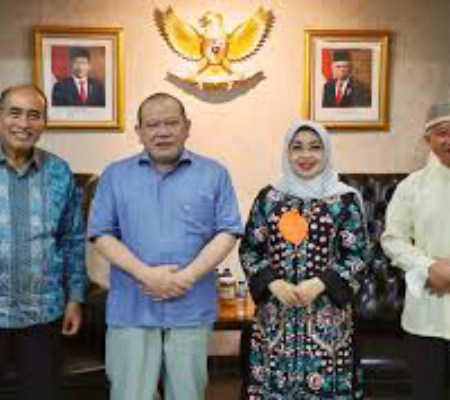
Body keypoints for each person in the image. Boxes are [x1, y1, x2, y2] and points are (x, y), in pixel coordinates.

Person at [88, 92, 242, 400]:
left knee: (187, 394)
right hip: (132, 309)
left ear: (187, 127)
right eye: (152, 125)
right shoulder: (115, 175)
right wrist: (146, 275)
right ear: (139, 131)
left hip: (191, 307)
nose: (162, 132)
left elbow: (228, 231)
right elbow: (101, 233)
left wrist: (186, 277)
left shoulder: (214, 174)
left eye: (171, 123)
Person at [239, 120, 367, 399]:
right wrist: (273, 283)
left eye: (315, 147)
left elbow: (358, 253)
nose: (305, 155)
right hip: (275, 319)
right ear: (287, 152)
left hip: (327, 320)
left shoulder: (344, 200)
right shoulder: (268, 198)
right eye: (297, 147)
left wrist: (320, 283)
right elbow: (250, 249)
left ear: (326, 152)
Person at [0, 84, 87, 399]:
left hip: (42, 314)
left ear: (44, 123)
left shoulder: (59, 172)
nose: (23, 123)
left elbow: (72, 239)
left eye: (34, 115)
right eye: (15, 113)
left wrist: (75, 298)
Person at [381, 101, 450, 400]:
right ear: (428, 139)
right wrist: (428, 267)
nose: (449, 140)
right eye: (442, 133)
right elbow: (392, 239)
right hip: (426, 314)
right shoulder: (411, 186)